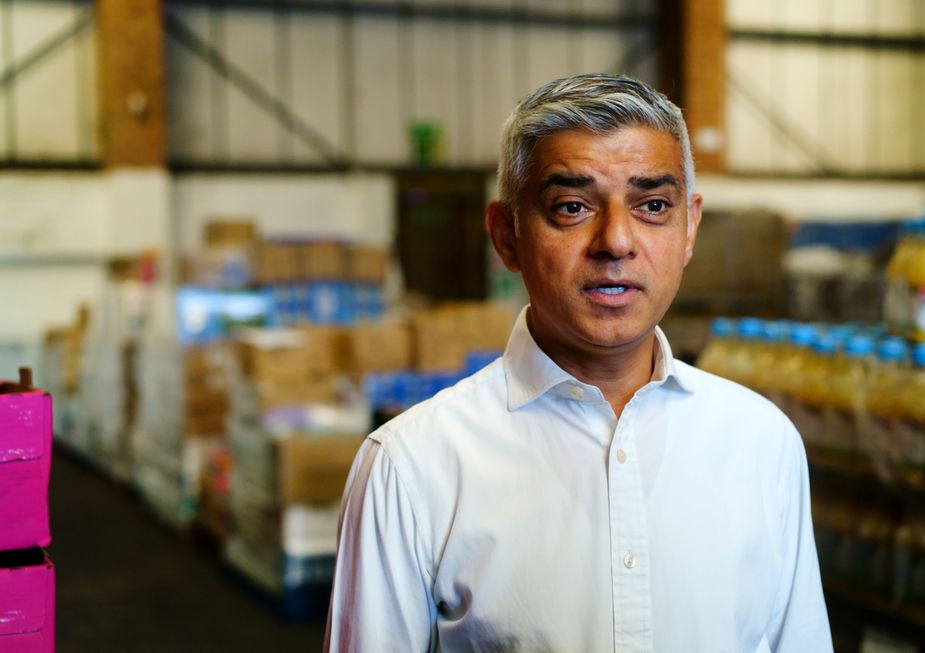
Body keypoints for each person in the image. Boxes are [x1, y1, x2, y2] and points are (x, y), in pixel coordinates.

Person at [324, 73, 832, 653]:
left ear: (689, 227)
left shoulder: (762, 444)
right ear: (506, 235)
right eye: (571, 207)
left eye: (653, 205)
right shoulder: (410, 468)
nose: (616, 241)